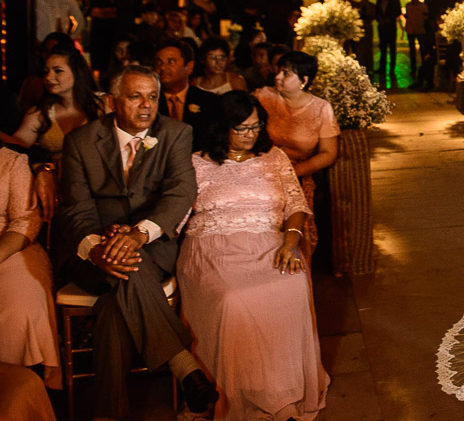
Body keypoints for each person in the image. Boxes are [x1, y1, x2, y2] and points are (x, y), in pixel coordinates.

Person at [58, 65, 217, 418]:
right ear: (113, 101)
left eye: (153, 97)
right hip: (92, 251)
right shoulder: (81, 142)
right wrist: (98, 249)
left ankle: (107, 414)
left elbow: (180, 192)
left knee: (115, 300)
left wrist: (139, 233)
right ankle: (184, 366)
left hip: (152, 245)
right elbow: (75, 209)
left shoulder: (176, 133)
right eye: (135, 97)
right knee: (125, 275)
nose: (146, 105)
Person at [178, 91, 329, 420]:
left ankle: (282, 392)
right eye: (242, 128)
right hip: (212, 247)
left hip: (268, 243)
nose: (252, 135)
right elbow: (175, 215)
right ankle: (235, 397)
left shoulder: (274, 157)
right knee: (233, 299)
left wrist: (291, 242)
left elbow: (296, 204)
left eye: (257, 126)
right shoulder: (196, 162)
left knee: (291, 284)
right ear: (222, 128)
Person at [0, 46, 105, 222]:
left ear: (77, 72)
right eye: (46, 71)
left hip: (97, 187)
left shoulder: (103, 104)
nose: (49, 77)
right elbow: (18, 146)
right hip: (57, 186)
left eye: (58, 71)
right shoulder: (40, 113)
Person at [255, 52, 339, 254]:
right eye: (278, 71)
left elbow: (329, 153)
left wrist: (294, 172)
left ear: (304, 80)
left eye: (286, 74)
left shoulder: (321, 108)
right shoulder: (263, 97)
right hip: (261, 169)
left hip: (298, 171)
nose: (278, 77)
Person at [0, 146, 59, 387]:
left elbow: (25, 221)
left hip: (10, 246)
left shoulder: (11, 161)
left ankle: (21, 394)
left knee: (22, 307)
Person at [154, 39, 220, 130]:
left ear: (189, 67)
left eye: (171, 62)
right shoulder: (151, 101)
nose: (162, 67)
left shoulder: (209, 101)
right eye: (159, 62)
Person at [89, 0, 120, 73]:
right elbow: (95, 12)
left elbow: (119, 13)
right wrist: (110, 12)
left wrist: (106, 12)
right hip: (100, 34)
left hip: (114, 33)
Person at [404, 0, 430, 87]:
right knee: (412, 50)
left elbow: (425, 17)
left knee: (422, 50)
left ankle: (423, 67)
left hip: (420, 30)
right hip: (411, 29)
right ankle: (413, 67)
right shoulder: (408, 5)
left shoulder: (422, 6)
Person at [376, 0, 402, 79]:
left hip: (391, 28)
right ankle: (382, 68)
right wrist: (380, 19)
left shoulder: (395, 0)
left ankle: (391, 68)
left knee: (392, 49)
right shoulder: (379, 0)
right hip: (382, 28)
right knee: (382, 48)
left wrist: (390, 19)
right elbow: (376, 12)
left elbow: (398, 12)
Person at [354, 0, 375, 71]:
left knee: (369, 49)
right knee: (360, 49)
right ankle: (360, 66)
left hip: (368, 29)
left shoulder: (371, 6)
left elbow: (373, 16)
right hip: (360, 30)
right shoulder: (358, 5)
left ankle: (369, 67)